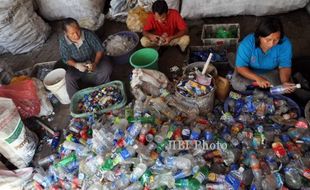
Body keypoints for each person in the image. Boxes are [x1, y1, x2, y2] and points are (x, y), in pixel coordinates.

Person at [231, 17, 296, 93]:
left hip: (270, 72)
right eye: (268, 40)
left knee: (284, 88)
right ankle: (236, 58)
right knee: (236, 83)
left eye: (276, 39)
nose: (272, 44)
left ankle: (258, 87)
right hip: (249, 70)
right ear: (259, 36)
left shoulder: (285, 44)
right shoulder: (247, 44)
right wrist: (258, 79)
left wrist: (285, 82)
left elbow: (284, 66)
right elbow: (241, 67)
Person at [59, 18, 112, 98]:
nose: (76, 35)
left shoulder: (88, 34)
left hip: (93, 62)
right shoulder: (63, 41)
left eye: (77, 31)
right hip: (78, 68)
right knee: (69, 77)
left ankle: (102, 90)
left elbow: (99, 50)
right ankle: (75, 99)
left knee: (106, 68)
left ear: (79, 27)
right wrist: (76, 65)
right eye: (72, 33)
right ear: (66, 33)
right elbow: (66, 58)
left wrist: (95, 63)